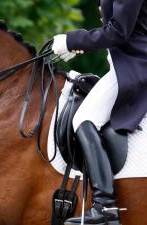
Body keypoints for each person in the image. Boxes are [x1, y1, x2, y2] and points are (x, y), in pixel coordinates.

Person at [52, 0, 147, 224]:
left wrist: (71, 40)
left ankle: (105, 206)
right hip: (125, 62)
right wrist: (77, 46)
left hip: (136, 64)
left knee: (84, 119)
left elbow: (119, 31)